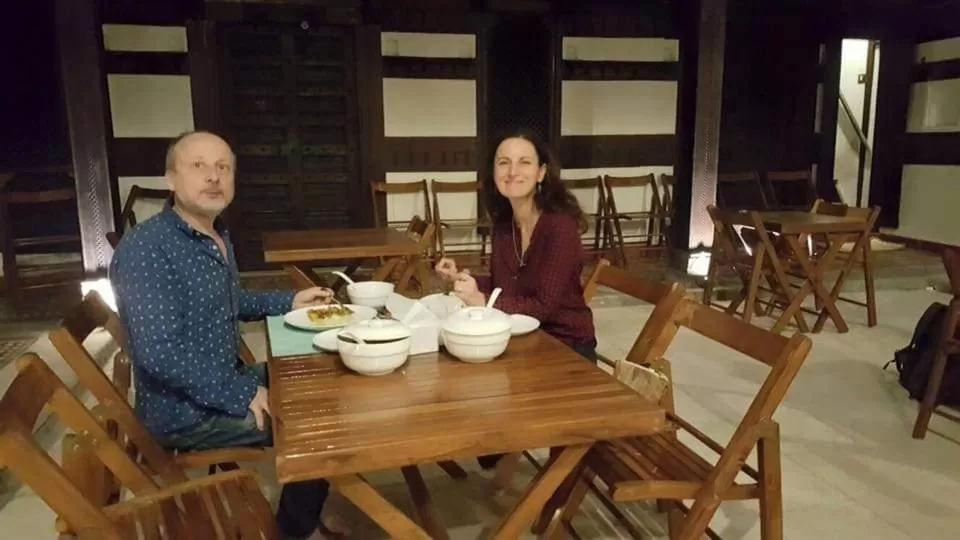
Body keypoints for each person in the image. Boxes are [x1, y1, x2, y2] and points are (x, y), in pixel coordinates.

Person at [110, 131, 347, 540]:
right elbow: (158, 352)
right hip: (184, 414)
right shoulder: (146, 249)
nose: (213, 176)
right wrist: (238, 393)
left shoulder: (214, 235)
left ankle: (311, 498)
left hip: (221, 378)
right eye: (198, 166)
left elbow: (230, 302)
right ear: (170, 179)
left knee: (323, 377)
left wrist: (291, 300)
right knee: (321, 423)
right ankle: (292, 529)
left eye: (223, 167)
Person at [435, 129, 597, 361]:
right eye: (503, 163)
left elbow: (543, 305)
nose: (512, 172)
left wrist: (480, 300)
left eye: (524, 162)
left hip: (566, 346)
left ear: (541, 172)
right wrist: (459, 278)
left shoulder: (560, 226)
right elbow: (504, 284)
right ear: (493, 172)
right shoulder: (504, 223)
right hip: (520, 339)